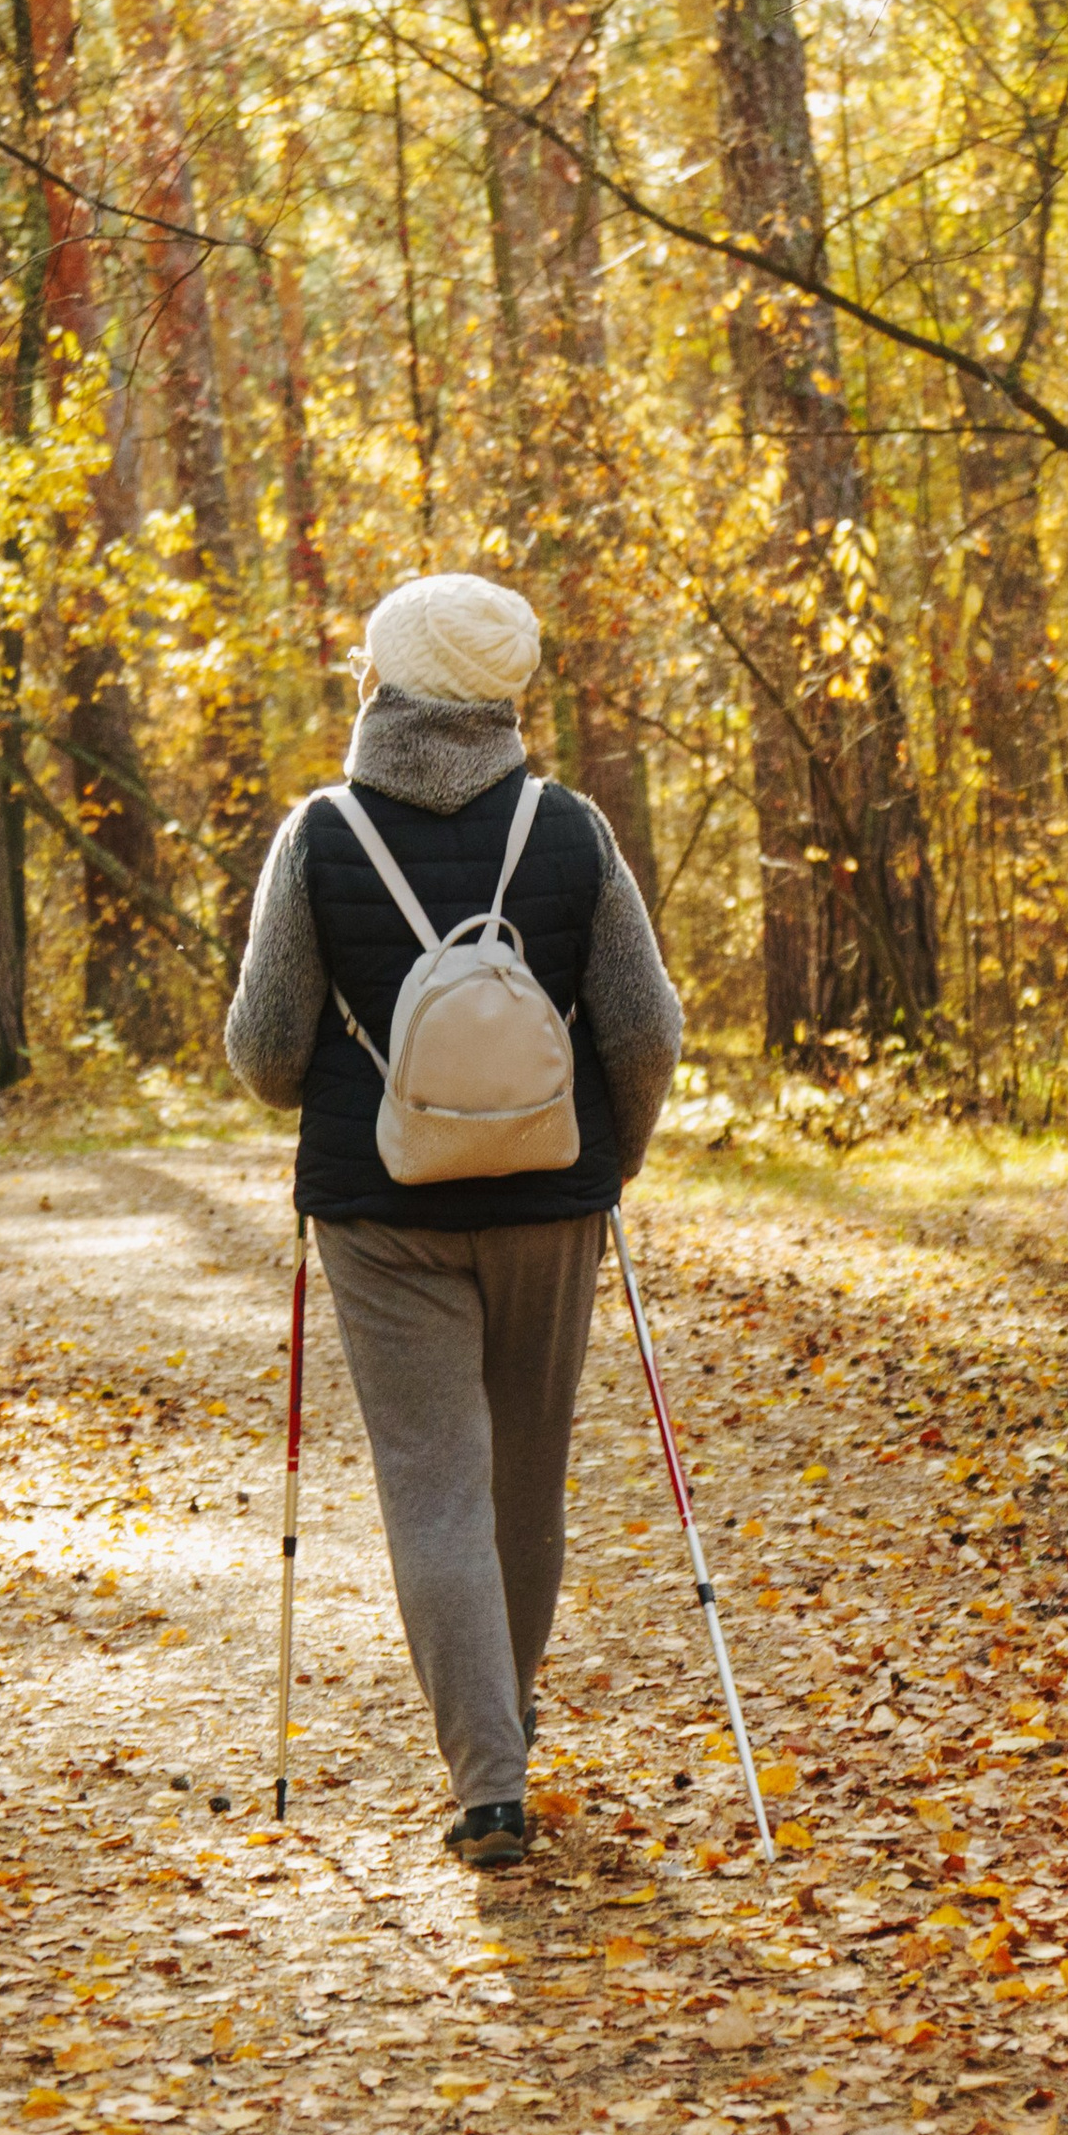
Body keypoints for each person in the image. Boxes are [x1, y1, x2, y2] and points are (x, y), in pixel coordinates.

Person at [225, 574, 683, 1869]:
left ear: (385, 679)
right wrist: (612, 1162)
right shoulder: (571, 829)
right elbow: (645, 1030)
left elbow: (265, 1050)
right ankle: (508, 1720)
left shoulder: (318, 836)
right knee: (524, 1482)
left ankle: (488, 1779)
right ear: (504, 689)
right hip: (553, 1202)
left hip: (382, 1213)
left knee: (436, 1489)